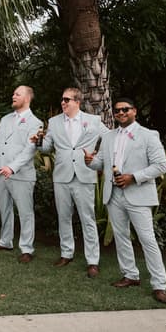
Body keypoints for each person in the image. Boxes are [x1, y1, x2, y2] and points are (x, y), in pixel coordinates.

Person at [84, 97, 166, 304]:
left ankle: (159, 285)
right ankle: (130, 275)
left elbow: (161, 166)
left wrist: (134, 177)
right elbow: (102, 164)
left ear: (135, 111)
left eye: (125, 109)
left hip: (138, 195)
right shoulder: (109, 136)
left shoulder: (149, 135)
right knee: (121, 237)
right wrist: (90, 162)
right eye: (117, 111)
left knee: (147, 240)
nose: (120, 113)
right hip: (113, 195)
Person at [33, 88, 108, 277]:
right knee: (63, 217)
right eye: (62, 100)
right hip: (62, 176)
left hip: (85, 175)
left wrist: (99, 157)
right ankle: (66, 253)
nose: (63, 103)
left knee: (87, 218)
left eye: (67, 99)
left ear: (77, 102)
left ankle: (93, 261)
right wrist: (38, 142)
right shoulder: (54, 122)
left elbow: (110, 139)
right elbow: (46, 148)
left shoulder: (94, 121)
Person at [0, 86, 41, 263]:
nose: (13, 96)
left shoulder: (36, 123)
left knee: (25, 212)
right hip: (1, 173)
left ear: (27, 98)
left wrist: (12, 167)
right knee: (4, 209)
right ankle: (5, 241)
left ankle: (27, 249)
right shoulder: (5, 119)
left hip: (21, 175)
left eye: (17, 94)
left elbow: (29, 150)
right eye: (13, 93)